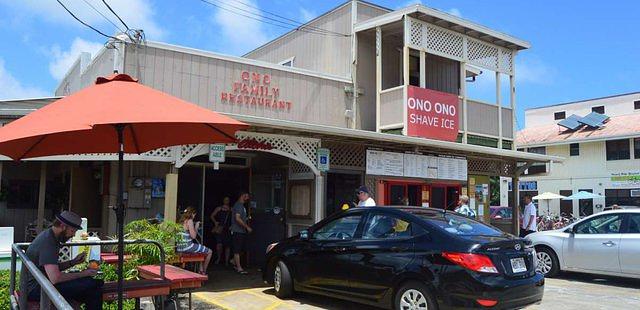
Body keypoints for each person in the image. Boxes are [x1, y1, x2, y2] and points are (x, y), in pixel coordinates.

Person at [20, 211, 103, 310]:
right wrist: (84, 273)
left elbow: (49, 268)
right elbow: (55, 278)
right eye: (72, 231)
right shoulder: (49, 242)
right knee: (94, 285)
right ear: (63, 226)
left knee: (89, 286)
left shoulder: (50, 236)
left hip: (38, 284)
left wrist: (73, 262)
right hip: (35, 289)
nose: (73, 235)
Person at [177, 207, 213, 275]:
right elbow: (193, 236)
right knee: (209, 251)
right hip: (187, 247)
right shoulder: (189, 221)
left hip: (180, 248)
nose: (194, 216)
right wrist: (196, 227)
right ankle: (203, 272)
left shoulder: (181, 221)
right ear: (192, 214)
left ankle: (200, 268)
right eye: (194, 215)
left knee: (200, 251)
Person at [231, 191, 253, 274]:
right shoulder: (239, 205)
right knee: (237, 249)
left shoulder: (241, 206)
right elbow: (237, 218)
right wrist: (247, 227)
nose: (248, 198)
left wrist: (246, 218)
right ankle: (239, 268)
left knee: (242, 248)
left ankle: (233, 261)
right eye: (247, 196)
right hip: (237, 231)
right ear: (243, 196)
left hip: (241, 231)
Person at [210, 197, 232, 266]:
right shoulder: (219, 208)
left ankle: (226, 261)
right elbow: (212, 216)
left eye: (228, 200)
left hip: (228, 229)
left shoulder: (231, 209)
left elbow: (234, 218)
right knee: (219, 244)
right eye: (225, 200)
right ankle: (218, 258)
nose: (226, 201)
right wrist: (215, 222)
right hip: (219, 228)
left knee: (227, 246)